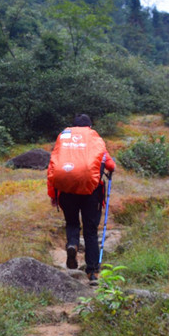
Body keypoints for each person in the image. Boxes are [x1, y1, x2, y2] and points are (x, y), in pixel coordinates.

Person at [47, 114, 116, 284]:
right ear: (89, 127)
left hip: (65, 190)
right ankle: (92, 273)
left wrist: (53, 195)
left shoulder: (64, 138)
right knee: (91, 231)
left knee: (72, 223)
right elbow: (110, 165)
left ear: (74, 126)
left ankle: (72, 244)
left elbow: (52, 166)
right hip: (91, 191)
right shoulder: (93, 139)